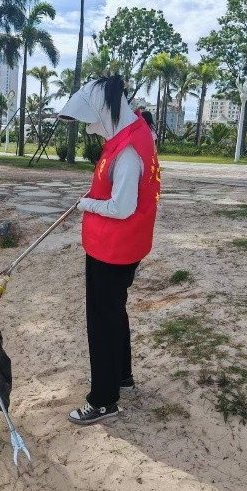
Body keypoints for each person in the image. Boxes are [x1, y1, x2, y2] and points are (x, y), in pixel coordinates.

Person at [59, 75, 160, 425]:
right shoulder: (130, 135)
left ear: (106, 111)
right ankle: (121, 375)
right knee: (114, 311)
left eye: (91, 120)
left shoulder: (129, 151)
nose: (89, 128)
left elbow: (122, 207)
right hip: (119, 245)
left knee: (102, 321)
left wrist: (87, 204)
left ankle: (103, 400)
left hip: (114, 249)